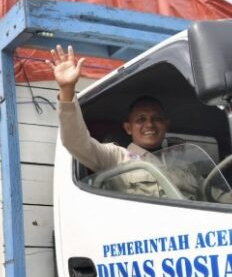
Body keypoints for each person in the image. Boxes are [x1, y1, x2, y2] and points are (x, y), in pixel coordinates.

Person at [50, 45, 201, 200]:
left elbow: (210, 195)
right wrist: (67, 90)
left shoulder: (185, 165)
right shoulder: (116, 157)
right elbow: (76, 142)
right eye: (141, 119)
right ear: (128, 128)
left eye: (157, 118)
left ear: (166, 125)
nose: (149, 124)